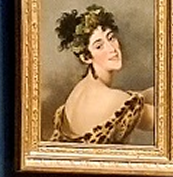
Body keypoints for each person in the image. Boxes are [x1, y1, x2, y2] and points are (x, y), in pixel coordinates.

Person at [51, 5, 155, 143]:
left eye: (111, 38)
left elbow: (137, 98)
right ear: (86, 57)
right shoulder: (114, 100)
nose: (112, 49)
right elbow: (166, 121)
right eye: (99, 46)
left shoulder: (80, 90)